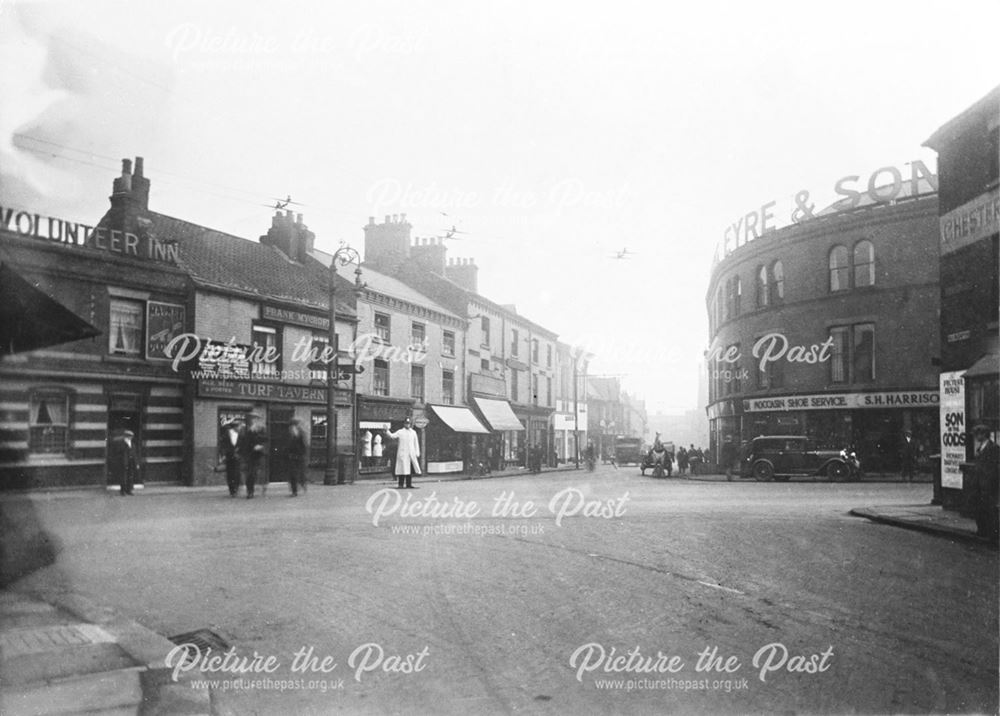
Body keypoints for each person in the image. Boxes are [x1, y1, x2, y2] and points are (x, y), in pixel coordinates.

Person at [970, 424, 999, 544]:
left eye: (977, 434)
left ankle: (993, 532)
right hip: (979, 483)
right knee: (980, 507)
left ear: (983, 434)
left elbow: (995, 467)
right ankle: (982, 530)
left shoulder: (993, 448)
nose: (976, 437)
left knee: (990, 508)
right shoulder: (981, 447)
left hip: (988, 483)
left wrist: (989, 480)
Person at [388, 417, 421, 488]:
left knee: (409, 470)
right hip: (403, 453)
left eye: (409, 423)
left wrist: (417, 452)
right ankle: (400, 484)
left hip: (411, 454)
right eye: (406, 423)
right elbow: (392, 436)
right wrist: (387, 431)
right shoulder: (400, 432)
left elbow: (416, 443)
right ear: (404, 424)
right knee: (402, 469)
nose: (407, 425)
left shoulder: (413, 432)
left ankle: (409, 484)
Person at [242, 413, 267, 499]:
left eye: (257, 420)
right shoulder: (248, 432)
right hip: (250, 456)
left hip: (260, 455)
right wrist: (253, 447)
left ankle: (263, 488)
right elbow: (245, 444)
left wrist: (261, 446)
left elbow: (266, 441)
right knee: (250, 474)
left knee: (260, 473)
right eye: (253, 420)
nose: (255, 422)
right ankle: (250, 492)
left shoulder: (262, 431)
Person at [108, 429, 139, 496]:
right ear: (126, 436)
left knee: (130, 476)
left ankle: (129, 490)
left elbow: (134, 454)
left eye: (131, 436)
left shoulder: (132, 444)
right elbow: (118, 453)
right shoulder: (121, 443)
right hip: (123, 462)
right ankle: (123, 491)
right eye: (129, 436)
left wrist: (136, 463)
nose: (131, 437)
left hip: (131, 462)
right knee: (123, 477)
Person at [286, 418, 308, 496]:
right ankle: (294, 491)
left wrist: (301, 455)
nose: (291, 428)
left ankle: (302, 485)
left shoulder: (301, 434)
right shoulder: (290, 435)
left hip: (299, 457)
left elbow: (304, 447)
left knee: (299, 474)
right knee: (293, 474)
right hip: (292, 458)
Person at [222, 419, 243, 497]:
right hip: (229, 456)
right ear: (235, 427)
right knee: (230, 474)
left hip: (237, 457)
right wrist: (225, 454)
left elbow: (242, 445)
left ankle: (236, 489)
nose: (240, 428)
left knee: (237, 473)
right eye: (239, 427)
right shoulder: (226, 434)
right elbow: (223, 445)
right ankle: (232, 490)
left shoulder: (241, 435)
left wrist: (239, 452)